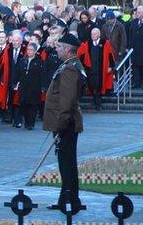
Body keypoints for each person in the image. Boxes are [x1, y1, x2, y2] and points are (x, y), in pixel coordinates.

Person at [43, 33, 85, 203]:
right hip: (66, 121)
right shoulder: (72, 64)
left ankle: (68, 199)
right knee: (66, 161)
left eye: (59, 47)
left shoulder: (69, 68)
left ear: (68, 49)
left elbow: (67, 99)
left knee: (66, 162)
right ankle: (67, 197)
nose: (57, 49)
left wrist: (61, 123)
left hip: (66, 123)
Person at [77, 28, 115, 111]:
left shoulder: (105, 43)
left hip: (101, 69)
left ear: (99, 34)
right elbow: (82, 55)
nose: (92, 36)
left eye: (94, 34)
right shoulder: (88, 44)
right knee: (92, 85)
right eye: (91, 34)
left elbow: (110, 54)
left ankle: (98, 104)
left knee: (99, 85)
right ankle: (96, 101)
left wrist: (111, 66)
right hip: (91, 69)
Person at [17, 42, 46, 130]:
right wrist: (16, 83)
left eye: (31, 50)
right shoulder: (23, 60)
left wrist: (43, 86)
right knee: (23, 104)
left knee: (33, 106)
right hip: (24, 86)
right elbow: (18, 73)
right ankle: (26, 121)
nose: (29, 52)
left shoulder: (40, 61)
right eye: (28, 50)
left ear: (35, 51)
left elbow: (43, 74)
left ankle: (31, 123)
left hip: (34, 87)